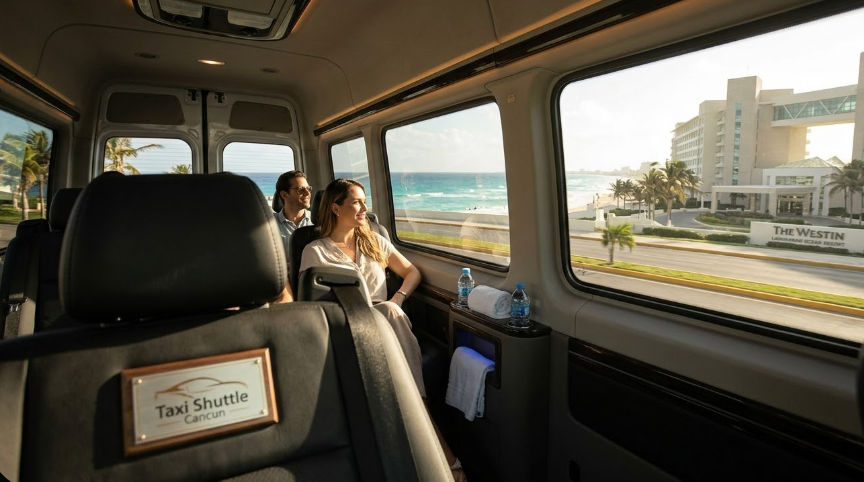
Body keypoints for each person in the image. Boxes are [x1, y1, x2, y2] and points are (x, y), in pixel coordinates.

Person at [299, 179, 466, 481]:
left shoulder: (374, 241)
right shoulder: (316, 251)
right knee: (388, 312)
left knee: (389, 310)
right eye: (357, 202)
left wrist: (398, 297)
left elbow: (411, 271)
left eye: (365, 201)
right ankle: (435, 440)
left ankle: (420, 418)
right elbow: (310, 305)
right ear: (336, 207)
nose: (365, 208)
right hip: (344, 325)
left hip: (386, 318)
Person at [273, 170, 313, 261]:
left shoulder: (318, 221)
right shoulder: (269, 225)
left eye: (308, 188)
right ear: (284, 195)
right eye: (301, 190)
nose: (308, 193)